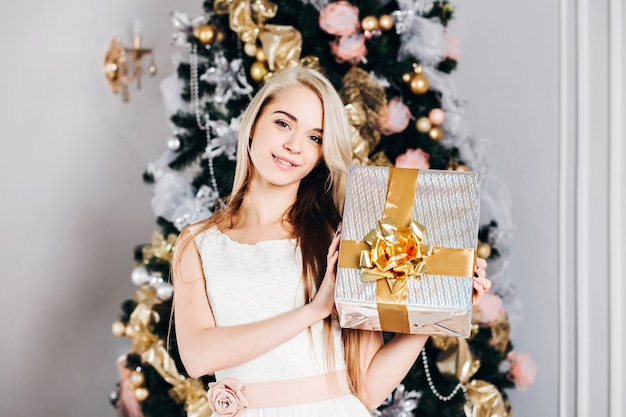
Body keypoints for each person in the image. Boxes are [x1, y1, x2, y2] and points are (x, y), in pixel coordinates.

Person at [172, 67, 491, 416]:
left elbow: (367, 389)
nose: (294, 146)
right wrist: (314, 310)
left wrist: (437, 312)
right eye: (283, 123)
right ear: (253, 126)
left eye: (315, 137)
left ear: (322, 154)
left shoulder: (339, 241)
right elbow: (197, 357)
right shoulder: (199, 243)